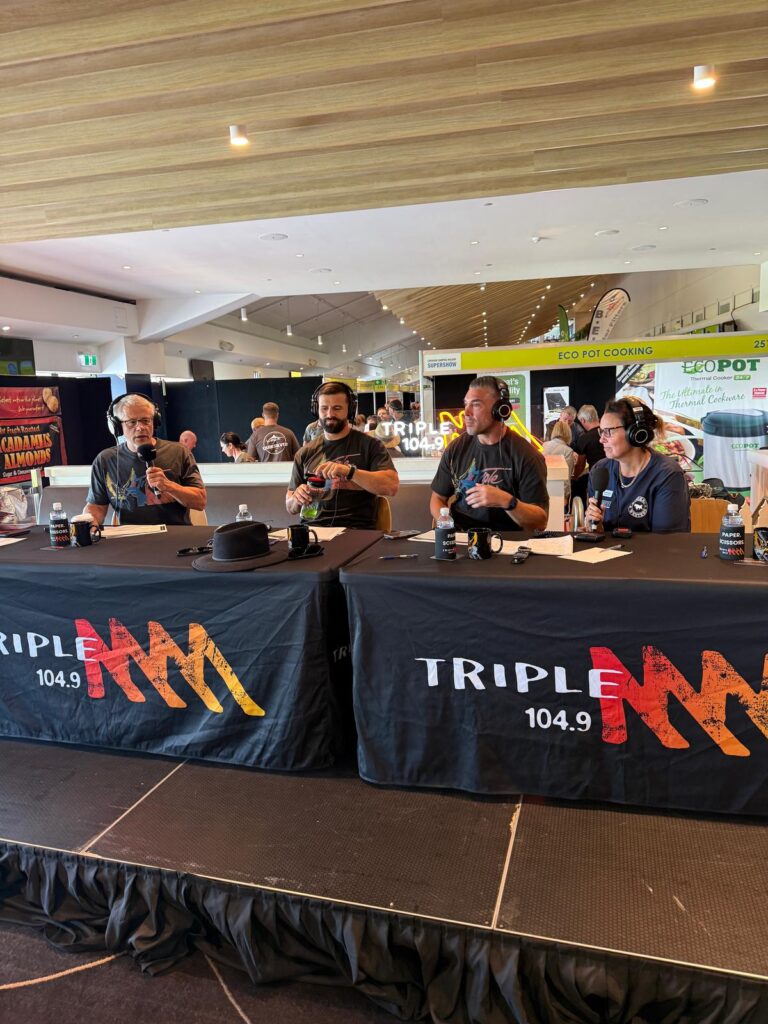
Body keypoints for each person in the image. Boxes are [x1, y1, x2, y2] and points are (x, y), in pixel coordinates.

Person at [430, 376, 549, 532]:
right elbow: (437, 498)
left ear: (500, 409)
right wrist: (445, 522)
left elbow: (540, 521)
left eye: (476, 404)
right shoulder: (456, 448)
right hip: (461, 538)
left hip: (506, 544)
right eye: (466, 404)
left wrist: (506, 501)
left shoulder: (527, 455)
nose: (466, 412)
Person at [286, 383, 398, 529]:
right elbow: (290, 507)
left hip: (355, 533)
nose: (330, 414)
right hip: (313, 532)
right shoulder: (305, 452)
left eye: (337, 408)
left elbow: (391, 486)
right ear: (316, 410)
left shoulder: (370, 445)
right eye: (324, 408)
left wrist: (349, 472)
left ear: (350, 410)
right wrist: (296, 498)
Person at [85, 394, 206, 526]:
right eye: (131, 422)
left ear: (155, 421)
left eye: (145, 420)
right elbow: (96, 507)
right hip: (131, 540)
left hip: (175, 537)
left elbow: (200, 502)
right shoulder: (106, 460)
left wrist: (168, 486)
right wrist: (88, 522)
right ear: (117, 426)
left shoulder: (179, 452)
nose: (140, 427)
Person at [585, 398, 690, 533]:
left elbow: (667, 543)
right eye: (601, 431)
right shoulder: (600, 470)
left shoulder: (667, 475)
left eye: (608, 431)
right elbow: (596, 533)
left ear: (635, 433)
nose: (601, 439)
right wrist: (595, 528)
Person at [570, 404, 606, 505]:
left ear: (583, 420)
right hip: (615, 474)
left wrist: (574, 477)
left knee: (596, 505)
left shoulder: (585, 439)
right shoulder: (608, 433)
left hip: (596, 478)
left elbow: (580, 465)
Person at [542, 420, 576, 506]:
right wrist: (565, 496)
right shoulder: (568, 451)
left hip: (543, 488)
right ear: (568, 433)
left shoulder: (544, 446)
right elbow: (566, 477)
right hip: (558, 491)